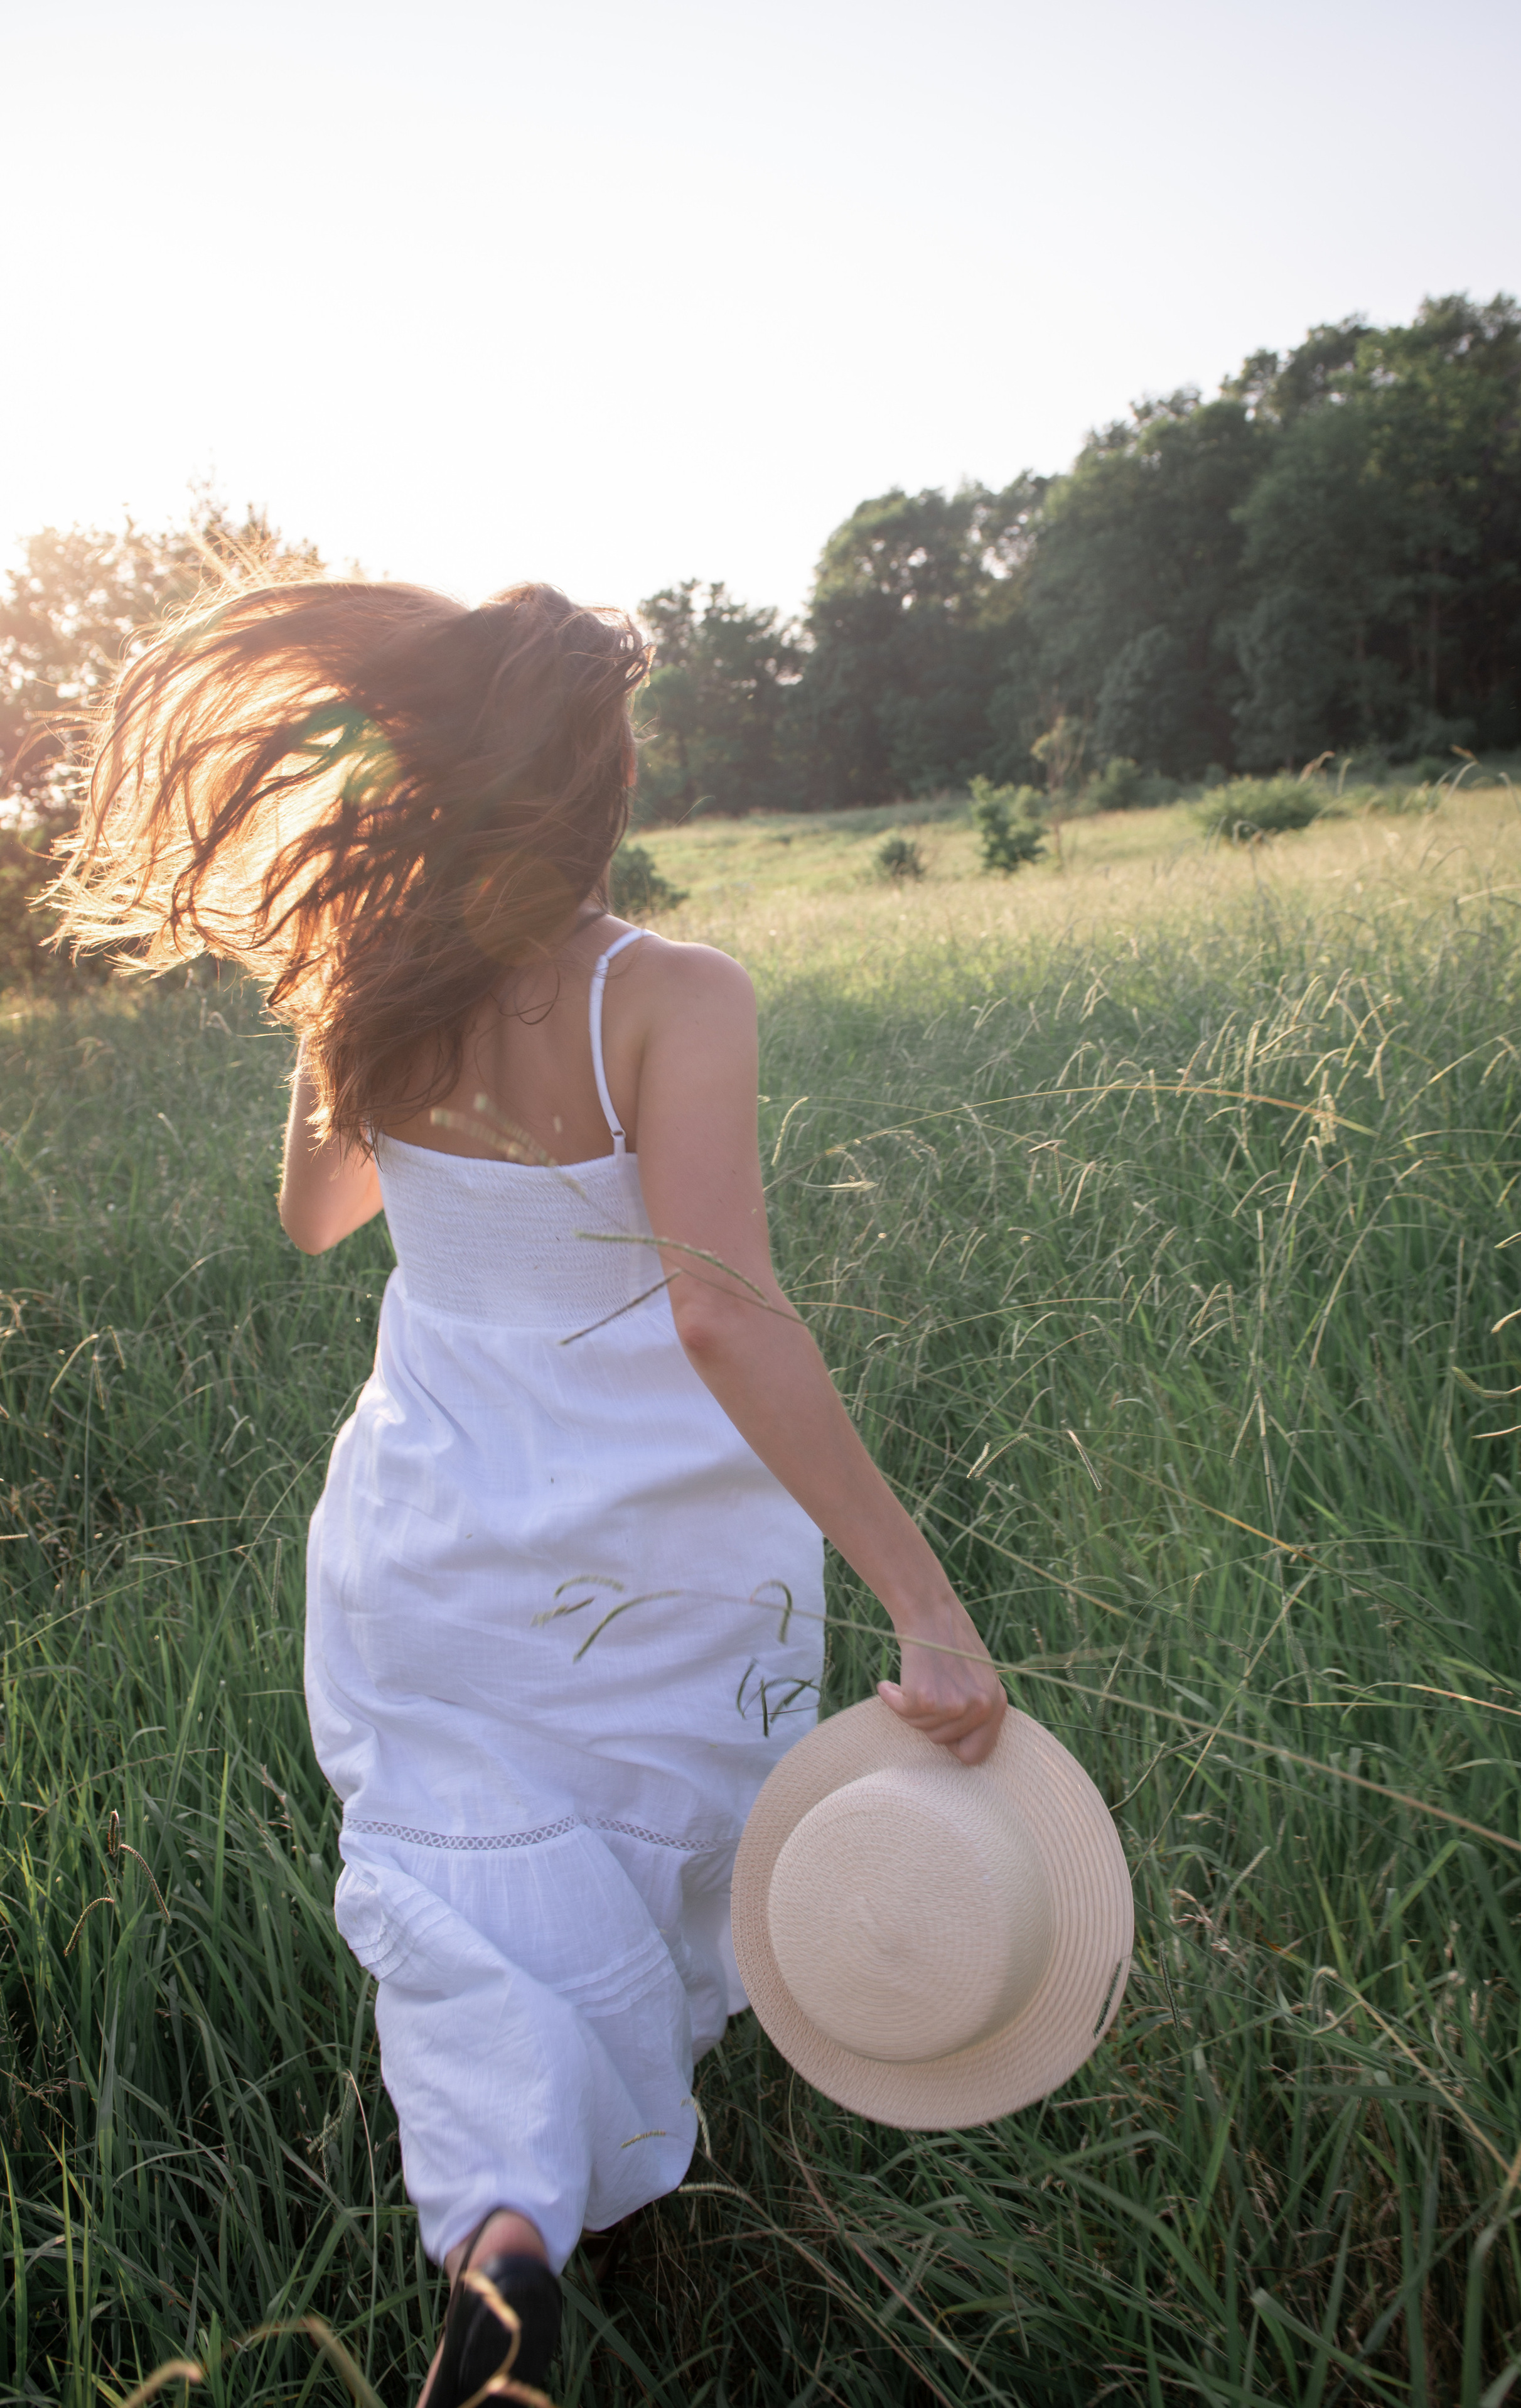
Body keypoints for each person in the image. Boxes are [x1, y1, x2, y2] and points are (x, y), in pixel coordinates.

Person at [55, 577, 1006, 2406]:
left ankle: (504, 2233)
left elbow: (313, 1218)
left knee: (467, 1899)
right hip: (655, 1556)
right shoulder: (672, 995)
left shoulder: (371, 979)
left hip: (429, 1544)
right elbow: (724, 1318)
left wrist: (353, 989)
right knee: (645, 1887)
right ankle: (589, 2212)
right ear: (598, 781)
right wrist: (925, 1597)